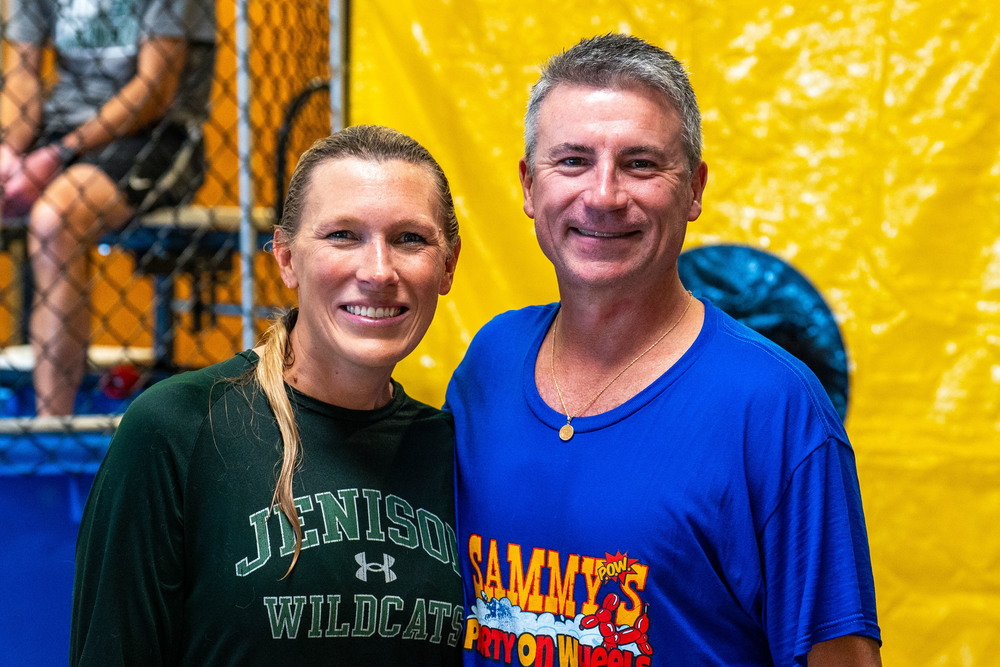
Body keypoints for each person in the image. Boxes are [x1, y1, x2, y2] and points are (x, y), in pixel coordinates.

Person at [447, 34, 881, 666]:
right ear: (528, 185)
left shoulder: (775, 408)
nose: (602, 195)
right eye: (572, 161)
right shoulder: (489, 361)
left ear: (695, 189)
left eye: (641, 164)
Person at [71, 125, 464, 664]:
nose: (378, 271)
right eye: (342, 235)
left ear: (447, 265)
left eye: (410, 239)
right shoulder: (178, 429)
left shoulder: (450, 449)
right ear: (285, 258)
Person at [0, 0, 215, 416]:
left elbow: (154, 89)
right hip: (57, 129)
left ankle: (54, 426)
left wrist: (58, 153)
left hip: (153, 134)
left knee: (55, 219)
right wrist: (10, 151)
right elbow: (21, 77)